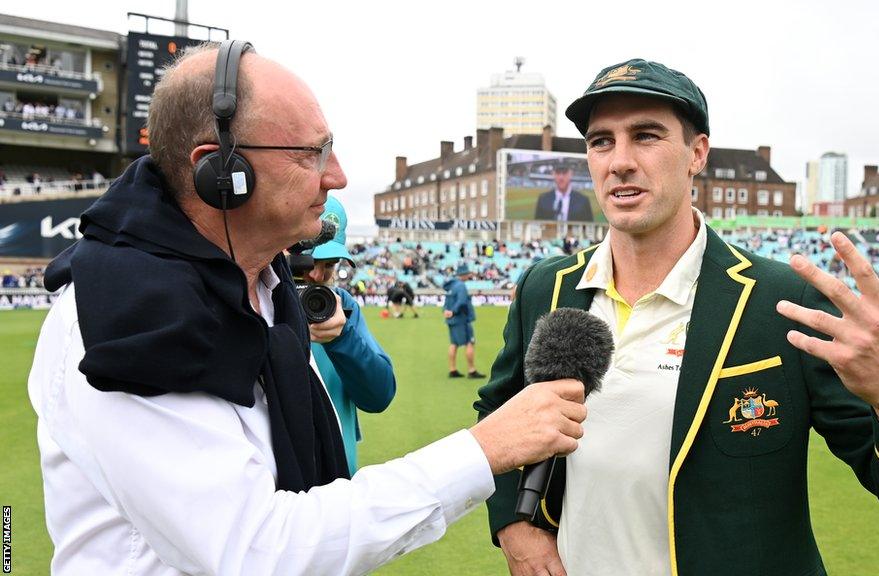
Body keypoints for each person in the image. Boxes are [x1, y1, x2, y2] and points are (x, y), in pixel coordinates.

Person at [28, 41, 589, 576]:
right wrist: (484, 449)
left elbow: (367, 402)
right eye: (310, 153)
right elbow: (257, 552)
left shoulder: (266, 286)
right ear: (219, 172)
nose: (337, 176)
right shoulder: (124, 318)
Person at [475, 58, 879, 576]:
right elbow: (498, 416)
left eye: (645, 136)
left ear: (697, 154)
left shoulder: (784, 300)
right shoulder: (546, 287)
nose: (619, 161)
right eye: (601, 141)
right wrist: (515, 527)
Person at [303, 195, 396, 472]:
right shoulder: (262, 302)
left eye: (329, 264)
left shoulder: (341, 305)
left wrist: (343, 340)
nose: (318, 276)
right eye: (308, 262)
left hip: (339, 480)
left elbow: (379, 395)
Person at [444, 263, 485, 378]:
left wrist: (447, 311)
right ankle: (472, 370)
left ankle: (452, 369)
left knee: (453, 344)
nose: (469, 275)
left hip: (451, 320)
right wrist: (453, 311)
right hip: (461, 319)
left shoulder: (451, 285)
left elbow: (446, 302)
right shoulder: (461, 286)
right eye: (467, 273)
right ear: (463, 274)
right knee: (470, 343)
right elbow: (462, 301)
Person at [533, 158, 594, 222]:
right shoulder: (543, 199)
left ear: (571, 174)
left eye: (564, 173)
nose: (561, 177)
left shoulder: (583, 201)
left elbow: (590, 228)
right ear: (553, 174)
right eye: (558, 173)